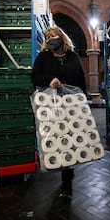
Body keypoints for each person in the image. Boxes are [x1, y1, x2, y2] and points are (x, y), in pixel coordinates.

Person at [31, 25, 87, 199]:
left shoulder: (73, 57)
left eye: (53, 35)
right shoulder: (43, 57)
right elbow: (35, 77)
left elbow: (81, 79)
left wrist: (83, 101)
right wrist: (49, 80)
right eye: (47, 37)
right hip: (51, 104)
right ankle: (59, 168)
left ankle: (67, 179)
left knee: (69, 139)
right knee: (57, 139)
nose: (50, 39)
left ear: (61, 37)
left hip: (71, 104)